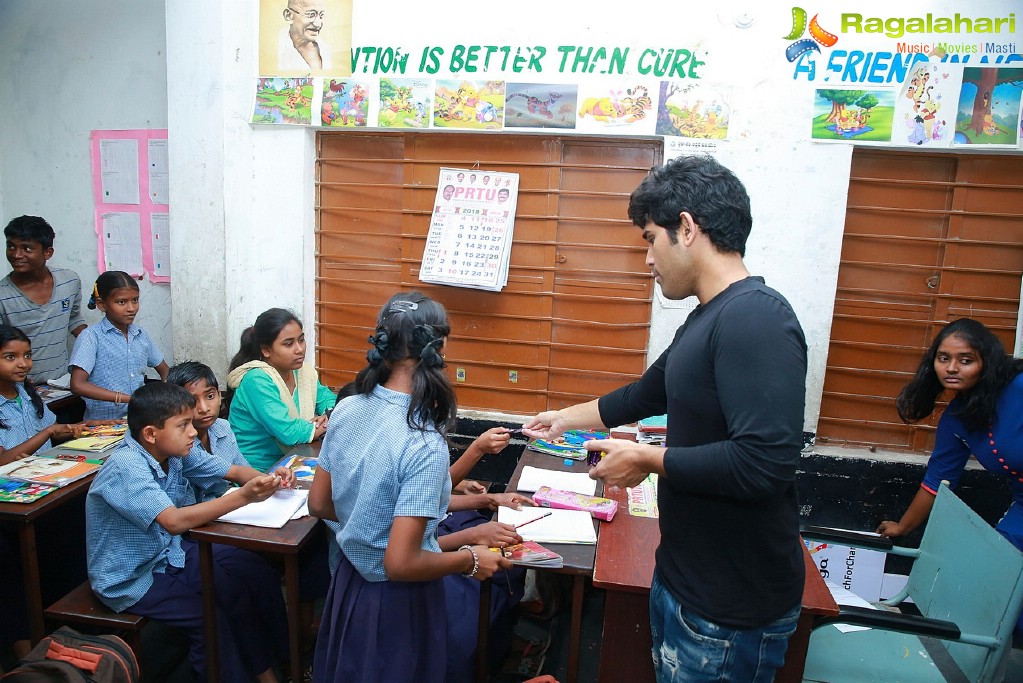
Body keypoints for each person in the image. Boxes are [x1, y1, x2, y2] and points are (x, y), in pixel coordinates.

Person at [523, 156, 808, 682]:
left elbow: (763, 463)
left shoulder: (757, 319)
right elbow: (641, 396)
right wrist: (561, 419)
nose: (648, 259)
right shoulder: (707, 318)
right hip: (685, 578)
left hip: (728, 606)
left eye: (651, 240)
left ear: (688, 227)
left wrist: (647, 458)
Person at [308, 291, 510, 683]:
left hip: (349, 585)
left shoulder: (348, 408)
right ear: (440, 349)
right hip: (398, 600)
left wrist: (367, 525)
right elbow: (400, 563)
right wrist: (470, 559)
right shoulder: (423, 441)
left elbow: (319, 503)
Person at [86, 382, 292, 683]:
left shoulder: (175, 450)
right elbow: (174, 522)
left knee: (247, 580)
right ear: (151, 434)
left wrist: (269, 478)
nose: (193, 432)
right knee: (209, 617)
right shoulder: (126, 466)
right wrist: (244, 496)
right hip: (132, 576)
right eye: (183, 425)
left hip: (170, 553)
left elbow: (231, 471)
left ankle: (275, 669)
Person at [877, 318, 1023, 631]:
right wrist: (903, 526)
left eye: (965, 360)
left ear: (986, 363)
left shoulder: (1020, 387)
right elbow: (937, 481)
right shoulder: (955, 419)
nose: (952, 368)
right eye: (944, 359)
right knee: (999, 578)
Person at [0, 324, 90, 664]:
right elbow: (5, 459)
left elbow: (49, 441)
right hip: (8, 504)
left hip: (38, 489)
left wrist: (74, 433)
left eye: (26, 355)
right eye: (10, 357)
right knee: (11, 561)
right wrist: (52, 430)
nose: (22, 364)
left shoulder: (25, 393)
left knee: (76, 517)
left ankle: (65, 620)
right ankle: (24, 644)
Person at [226, 307, 336, 472]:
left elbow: (329, 401)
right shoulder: (256, 380)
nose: (299, 349)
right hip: (256, 473)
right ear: (266, 350)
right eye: (288, 344)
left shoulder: (302, 372)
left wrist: (325, 416)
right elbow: (289, 432)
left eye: (301, 340)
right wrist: (328, 424)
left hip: (294, 462)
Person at [69, 271, 169, 420]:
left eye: (135, 300)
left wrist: (165, 397)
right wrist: (126, 399)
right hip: (102, 425)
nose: (131, 308)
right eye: (121, 302)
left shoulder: (140, 335)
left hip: (138, 421)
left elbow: (165, 370)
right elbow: (78, 384)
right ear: (101, 304)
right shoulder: (91, 337)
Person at [0, 216, 86, 382]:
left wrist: (99, 344)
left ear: (48, 252)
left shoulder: (69, 281)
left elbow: (74, 319)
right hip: (19, 389)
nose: (16, 255)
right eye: (11, 246)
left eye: (27, 248)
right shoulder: (2, 295)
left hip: (62, 385)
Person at [167, 361, 253, 501]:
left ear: (219, 396)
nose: (204, 408)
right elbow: (236, 473)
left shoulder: (223, 427)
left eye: (210, 396)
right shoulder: (179, 443)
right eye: (192, 401)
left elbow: (243, 468)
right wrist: (270, 480)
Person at [279, 0, 330, 72]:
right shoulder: (278, 51)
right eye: (310, 15)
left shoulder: (326, 49)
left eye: (321, 16)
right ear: (289, 16)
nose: (318, 24)